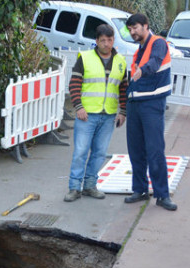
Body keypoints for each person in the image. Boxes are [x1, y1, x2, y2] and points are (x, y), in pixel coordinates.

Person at [64, 24, 128, 202]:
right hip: (87, 114)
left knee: (99, 153)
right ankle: (74, 188)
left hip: (108, 115)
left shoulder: (121, 62)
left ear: (113, 40)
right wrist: (79, 107)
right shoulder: (85, 58)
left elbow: (123, 88)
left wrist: (123, 111)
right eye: (102, 40)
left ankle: (90, 186)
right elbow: (74, 84)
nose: (106, 44)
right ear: (96, 41)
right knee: (80, 152)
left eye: (109, 40)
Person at [123, 13, 177, 211]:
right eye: (130, 29)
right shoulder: (139, 50)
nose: (132, 32)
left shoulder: (159, 43)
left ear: (146, 26)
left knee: (154, 150)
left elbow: (154, 63)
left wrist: (142, 70)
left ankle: (162, 195)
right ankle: (140, 190)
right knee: (136, 150)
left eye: (135, 27)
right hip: (135, 103)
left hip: (152, 104)